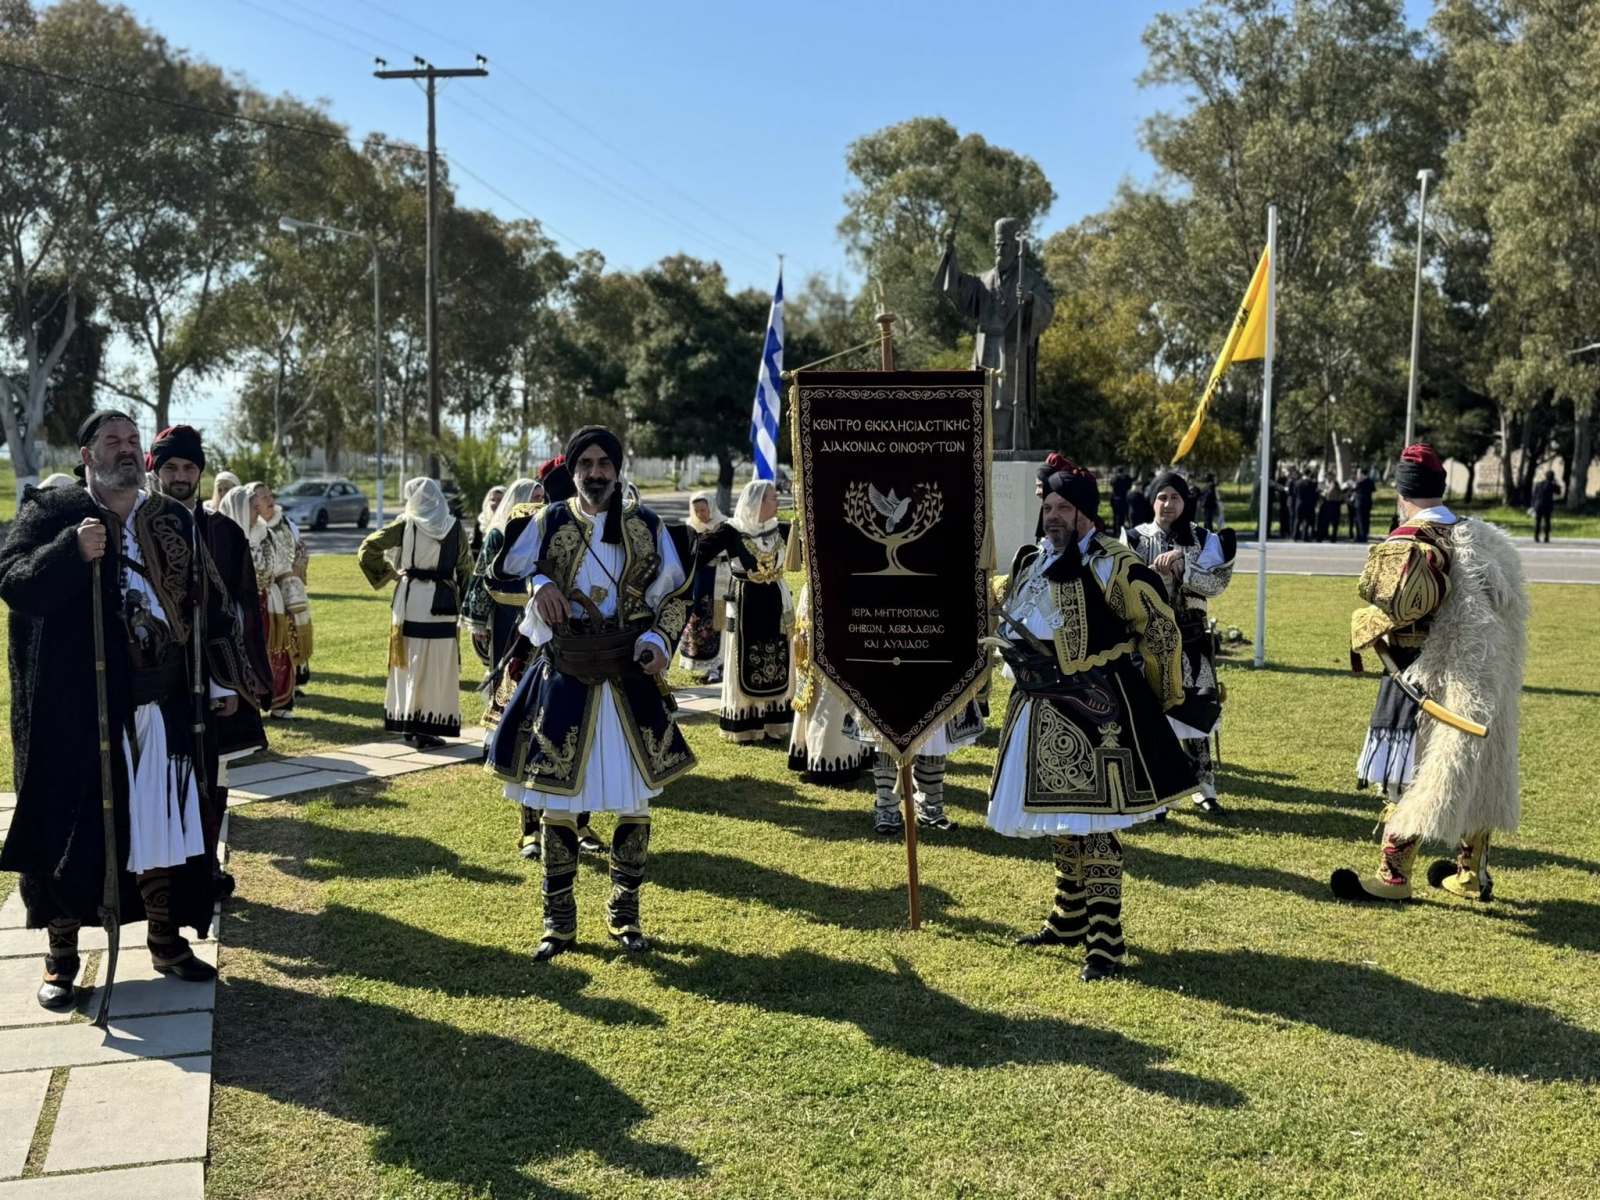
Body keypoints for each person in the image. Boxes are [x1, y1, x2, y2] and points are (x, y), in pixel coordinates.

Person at [0, 411, 261, 1010]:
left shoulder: (170, 517)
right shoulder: (54, 511)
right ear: (87, 455)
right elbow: (12, 579)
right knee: (73, 828)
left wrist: (219, 679)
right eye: (111, 440)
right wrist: (70, 550)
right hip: (77, 712)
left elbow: (209, 603)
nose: (125, 449)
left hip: (161, 703)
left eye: (132, 440)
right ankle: (62, 957)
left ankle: (165, 941)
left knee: (160, 822)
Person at [486, 426, 694, 959]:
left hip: (628, 679)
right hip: (566, 676)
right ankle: (558, 921)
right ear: (572, 470)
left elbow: (675, 595)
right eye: (586, 464)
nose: (595, 473)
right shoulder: (547, 521)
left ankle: (625, 914)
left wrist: (658, 640)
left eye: (604, 463)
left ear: (617, 470)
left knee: (634, 804)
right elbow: (498, 577)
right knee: (557, 804)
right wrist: (539, 585)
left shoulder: (647, 526)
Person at [986, 460, 1194, 981]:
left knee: (1096, 827)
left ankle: (1105, 940)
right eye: (1048, 507)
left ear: (1084, 512)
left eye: (1063, 508)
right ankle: (1069, 916)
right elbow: (1003, 601)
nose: (1052, 516)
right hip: (1038, 704)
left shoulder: (1114, 565)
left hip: (1097, 711)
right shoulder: (1033, 559)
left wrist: (1160, 697)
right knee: (1061, 820)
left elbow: (1161, 630)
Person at [1331, 444, 1528, 904]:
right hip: (1480, 675)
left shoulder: (1408, 538)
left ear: (1402, 493)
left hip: (1419, 674)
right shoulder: (1479, 537)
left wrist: (1367, 622)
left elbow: (1401, 607)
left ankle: (1393, 876)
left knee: (1408, 773)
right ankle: (1471, 874)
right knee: (1472, 768)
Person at [148, 425, 272, 899]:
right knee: (158, 779)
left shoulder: (223, 532)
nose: (180, 477)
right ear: (156, 471)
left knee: (211, 779)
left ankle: (205, 869)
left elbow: (242, 612)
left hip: (212, 676)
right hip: (153, 680)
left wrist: (231, 682)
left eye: (189, 467)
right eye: (171, 467)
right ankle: (161, 879)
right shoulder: (134, 528)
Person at [1123, 470, 1237, 812]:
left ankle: (1204, 787)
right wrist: (1150, 575)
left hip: (1192, 638)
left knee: (1196, 712)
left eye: (1175, 497)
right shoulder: (1135, 538)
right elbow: (1122, 586)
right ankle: (1160, 793)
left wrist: (1184, 564)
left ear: (1185, 502)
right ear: (1152, 501)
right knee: (1153, 712)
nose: (1168, 504)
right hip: (1149, 639)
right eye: (1162, 497)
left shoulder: (1203, 539)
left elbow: (1217, 584)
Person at [357, 478, 473, 748]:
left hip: (411, 602)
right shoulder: (455, 527)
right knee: (437, 664)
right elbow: (466, 569)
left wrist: (388, 574)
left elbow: (368, 549)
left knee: (409, 661)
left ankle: (409, 721)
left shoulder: (405, 524)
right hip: (444, 604)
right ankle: (428, 725)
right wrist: (466, 604)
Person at [701, 479, 794, 743]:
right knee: (745, 657)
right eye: (773, 497)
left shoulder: (782, 529)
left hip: (776, 602)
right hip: (746, 604)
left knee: (777, 657)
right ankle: (746, 726)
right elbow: (698, 552)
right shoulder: (732, 531)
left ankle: (774, 725)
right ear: (758, 502)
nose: (778, 501)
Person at [221, 482, 308, 717]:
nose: (258, 510)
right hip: (241, 609)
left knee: (278, 653)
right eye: (253, 506)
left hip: (270, 603)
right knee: (247, 655)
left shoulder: (266, 533)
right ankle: (249, 704)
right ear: (240, 508)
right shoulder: (226, 538)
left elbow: (281, 568)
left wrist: (293, 601)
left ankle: (280, 702)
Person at [787, 583, 874, 788]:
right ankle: (827, 756)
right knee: (824, 684)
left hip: (840, 598)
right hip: (825, 599)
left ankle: (841, 754)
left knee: (840, 684)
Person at [463, 478, 539, 673]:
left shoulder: (543, 530)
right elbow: (482, 574)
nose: (539, 503)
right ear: (520, 499)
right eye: (534, 498)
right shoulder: (498, 534)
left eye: (541, 498)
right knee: (505, 665)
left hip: (537, 609)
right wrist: (479, 620)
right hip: (507, 610)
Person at [677, 490, 726, 683]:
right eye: (696, 510)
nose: (700, 514)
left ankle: (718, 666)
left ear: (711, 507)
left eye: (703, 510)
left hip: (719, 578)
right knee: (697, 618)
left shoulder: (723, 526)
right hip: (698, 580)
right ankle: (704, 665)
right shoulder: (690, 527)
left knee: (719, 620)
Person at [472, 485, 507, 562]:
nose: (495, 503)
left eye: (500, 500)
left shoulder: (510, 521)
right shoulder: (481, 521)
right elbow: (475, 548)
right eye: (492, 500)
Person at [1532, 469, 1561, 543]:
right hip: (1547, 505)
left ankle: (1536, 537)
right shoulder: (1552, 485)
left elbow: (1534, 495)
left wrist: (1533, 505)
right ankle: (1546, 537)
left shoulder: (1538, 484)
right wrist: (1556, 483)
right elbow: (1559, 492)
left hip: (1538, 504)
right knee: (1547, 521)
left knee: (1537, 521)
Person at [1352, 468, 1376, 543]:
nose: (1357, 474)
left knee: (1360, 520)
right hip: (1368, 503)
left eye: (1358, 473)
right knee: (1365, 520)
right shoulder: (1370, 481)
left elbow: (1354, 489)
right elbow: (1373, 490)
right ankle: (1363, 535)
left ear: (1362, 473)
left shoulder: (1359, 482)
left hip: (1360, 503)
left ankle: (1361, 536)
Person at [1294, 471, 1319, 541]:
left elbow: (1294, 493)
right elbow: (1315, 495)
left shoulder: (1297, 482)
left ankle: (1295, 536)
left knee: (1297, 520)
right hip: (1308, 504)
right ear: (1309, 475)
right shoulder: (1312, 484)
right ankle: (1304, 537)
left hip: (1298, 503)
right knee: (1306, 520)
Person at [1109, 466, 1132, 535]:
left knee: (1116, 516)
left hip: (1115, 499)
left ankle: (1116, 530)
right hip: (1122, 499)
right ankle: (1119, 530)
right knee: (1121, 516)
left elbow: (1111, 483)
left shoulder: (1115, 478)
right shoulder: (1125, 479)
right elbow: (1129, 484)